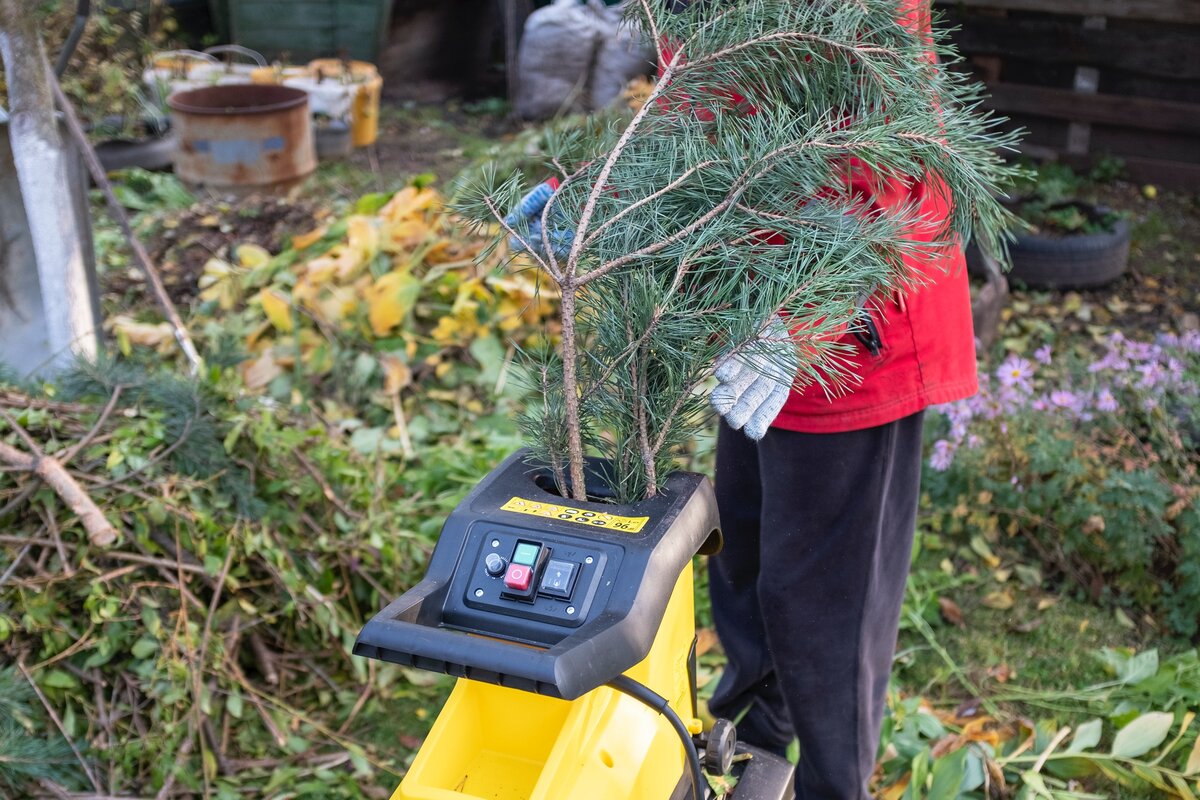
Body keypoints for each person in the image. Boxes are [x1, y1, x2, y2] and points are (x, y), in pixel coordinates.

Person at [507, 2, 979, 796]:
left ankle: (833, 783)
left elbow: (885, 174)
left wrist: (803, 319)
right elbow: (703, 106)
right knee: (747, 560)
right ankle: (753, 753)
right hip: (749, 313)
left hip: (853, 334)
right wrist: (592, 194)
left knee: (825, 605)